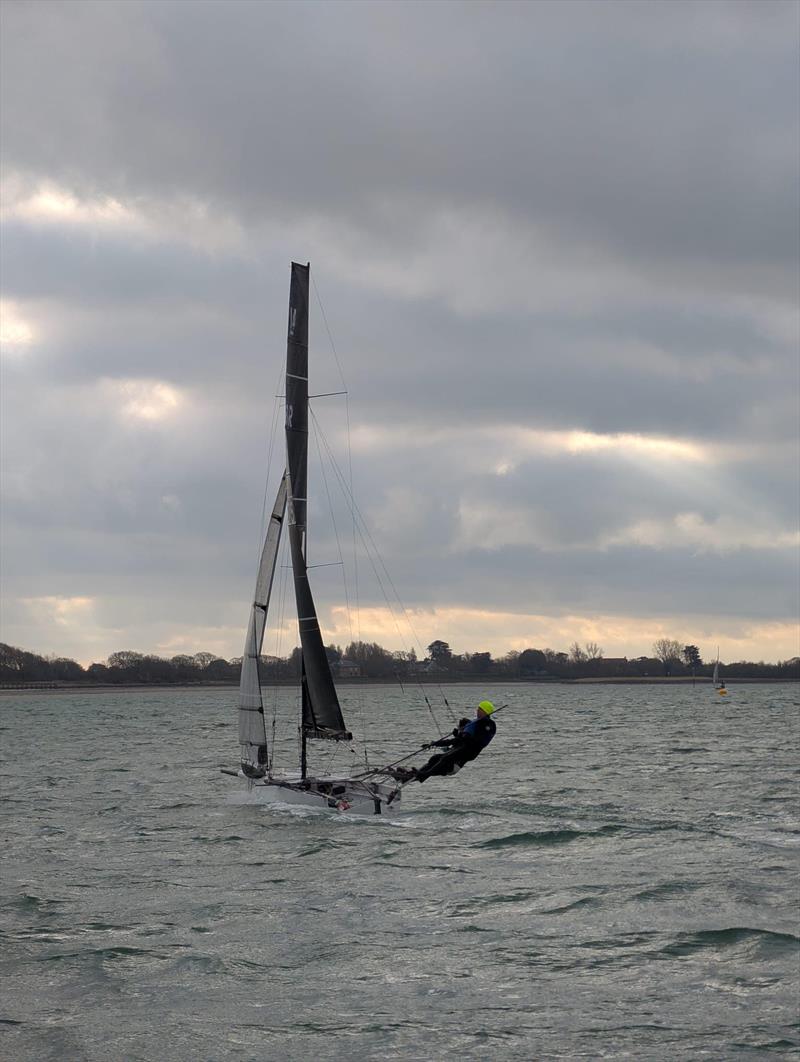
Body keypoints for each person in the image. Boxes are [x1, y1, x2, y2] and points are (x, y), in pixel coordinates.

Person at [390, 701, 498, 783]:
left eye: (480, 709)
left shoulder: (488, 725)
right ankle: (412, 775)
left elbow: (478, 740)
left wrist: (462, 736)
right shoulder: (469, 732)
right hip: (455, 757)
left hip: (456, 764)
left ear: (485, 711)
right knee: (435, 758)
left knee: (444, 758)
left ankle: (419, 774)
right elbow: (453, 741)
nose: (477, 711)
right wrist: (433, 744)